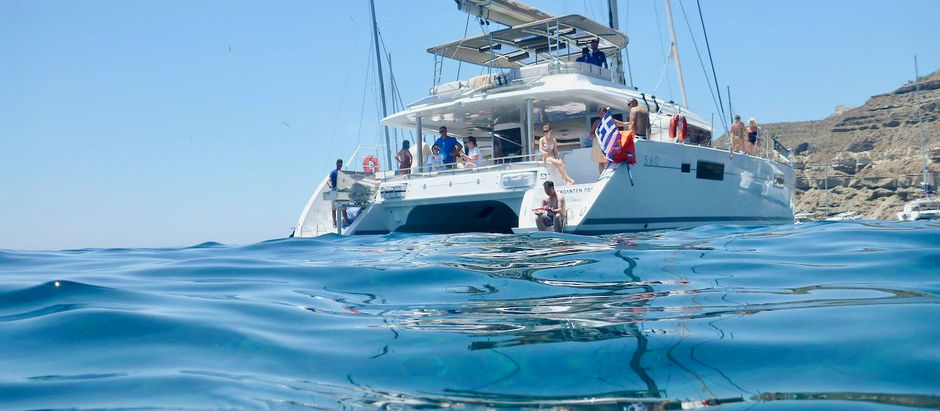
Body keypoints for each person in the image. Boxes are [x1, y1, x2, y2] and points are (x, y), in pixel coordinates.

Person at [327, 159, 350, 227]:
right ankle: (334, 223)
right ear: (336, 164)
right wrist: (330, 184)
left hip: (341, 192)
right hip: (333, 191)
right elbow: (328, 180)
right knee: (333, 209)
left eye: (341, 163)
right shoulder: (333, 172)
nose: (340, 164)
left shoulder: (343, 173)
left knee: (343, 209)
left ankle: (346, 222)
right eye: (339, 163)